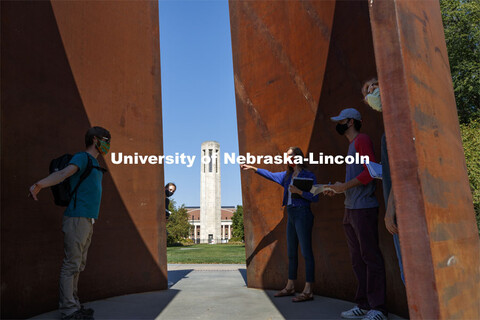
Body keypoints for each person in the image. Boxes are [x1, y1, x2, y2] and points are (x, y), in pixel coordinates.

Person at [29, 127, 111, 320]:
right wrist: (40, 184)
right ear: (94, 139)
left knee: (79, 264)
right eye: (106, 139)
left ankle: (74, 304)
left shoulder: (95, 163)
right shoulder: (82, 157)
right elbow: (64, 173)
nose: (108, 144)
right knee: (71, 264)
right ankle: (68, 310)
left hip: (88, 219)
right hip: (77, 218)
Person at [325, 108, 387, 320]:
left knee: (370, 257)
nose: (338, 124)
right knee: (357, 260)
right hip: (350, 209)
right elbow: (355, 178)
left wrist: (344, 187)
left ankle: (378, 309)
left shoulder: (362, 140)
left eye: (340, 120)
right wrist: (338, 188)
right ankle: (362, 304)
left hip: (364, 208)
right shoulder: (351, 145)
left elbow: (371, 171)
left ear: (350, 122)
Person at [241, 147, 318, 302]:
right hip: (291, 214)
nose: (286, 158)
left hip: (303, 213)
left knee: (306, 252)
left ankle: (308, 290)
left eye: (289, 156)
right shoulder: (287, 176)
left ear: (297, 157)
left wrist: (299, 192)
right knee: (291, 253)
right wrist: (254, 168)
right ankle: (290, 286)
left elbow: (315, 197)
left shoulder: (308, 175)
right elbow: (270, 175)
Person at [362, 78, 405, 284]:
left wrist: (390, 210)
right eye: (367, 92)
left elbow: (402, 171)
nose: (371, 92)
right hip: (398, 207)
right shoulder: (390, 129)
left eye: (374, 86)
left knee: (411, 271)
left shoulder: (397, 126)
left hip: (402, 211)